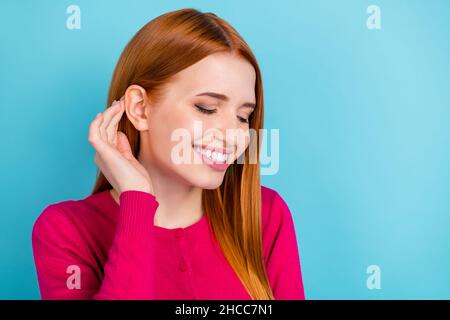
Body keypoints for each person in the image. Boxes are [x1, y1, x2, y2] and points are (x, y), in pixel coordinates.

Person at [32, 8, 305, 300]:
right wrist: (137, 200)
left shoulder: (265, 214)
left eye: (242, 116)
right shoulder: (66, 230)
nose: (233, 135)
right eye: (206, 108)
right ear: (140, 108)